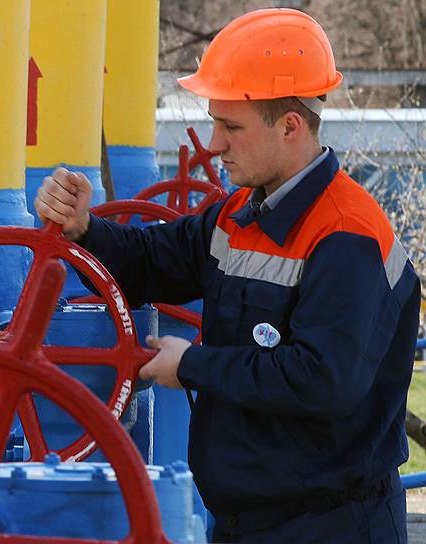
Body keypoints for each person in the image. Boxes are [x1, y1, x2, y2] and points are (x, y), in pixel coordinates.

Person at [35, 8, 420, 543]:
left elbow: (322, 381)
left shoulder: (346, 236)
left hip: (332, 526)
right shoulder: (240, 214)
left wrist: (192, 365)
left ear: (290, 127)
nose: (214, 143)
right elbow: (150, 262)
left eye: (231, 126)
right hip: (249, 520)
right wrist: (85, 228)